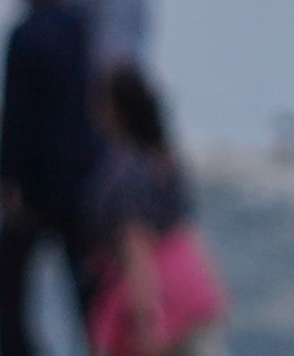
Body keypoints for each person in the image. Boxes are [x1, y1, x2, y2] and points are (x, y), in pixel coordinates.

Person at [0, 0, 101, 356]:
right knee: (82, 276)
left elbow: (16, 118)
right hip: (78, 174)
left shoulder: (25, 35)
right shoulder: (76, 22)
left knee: (8, 271)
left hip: (39, 182)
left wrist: (8, 181)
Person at [84, 62, 228, 356]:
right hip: (193, 289)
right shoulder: (164, 161)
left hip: (160, 298)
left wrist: (146, 322)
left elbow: (136, 248)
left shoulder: (123, 175)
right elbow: (186, 229)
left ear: (115, 111)